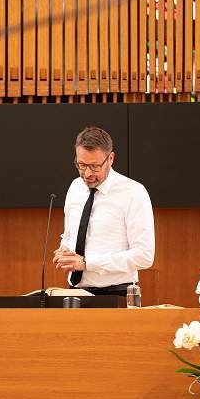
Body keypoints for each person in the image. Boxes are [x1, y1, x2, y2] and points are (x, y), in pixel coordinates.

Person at [52, 126, 155, 297]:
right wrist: (65, 250)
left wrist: (87, 263)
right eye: (81, 165)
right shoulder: (75, 187)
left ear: (110, 159)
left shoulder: (133, 192)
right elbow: (70, 235)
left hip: (116, 293)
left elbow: (144, 256)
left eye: (94, 166)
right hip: (75, 292)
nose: (87, 174)